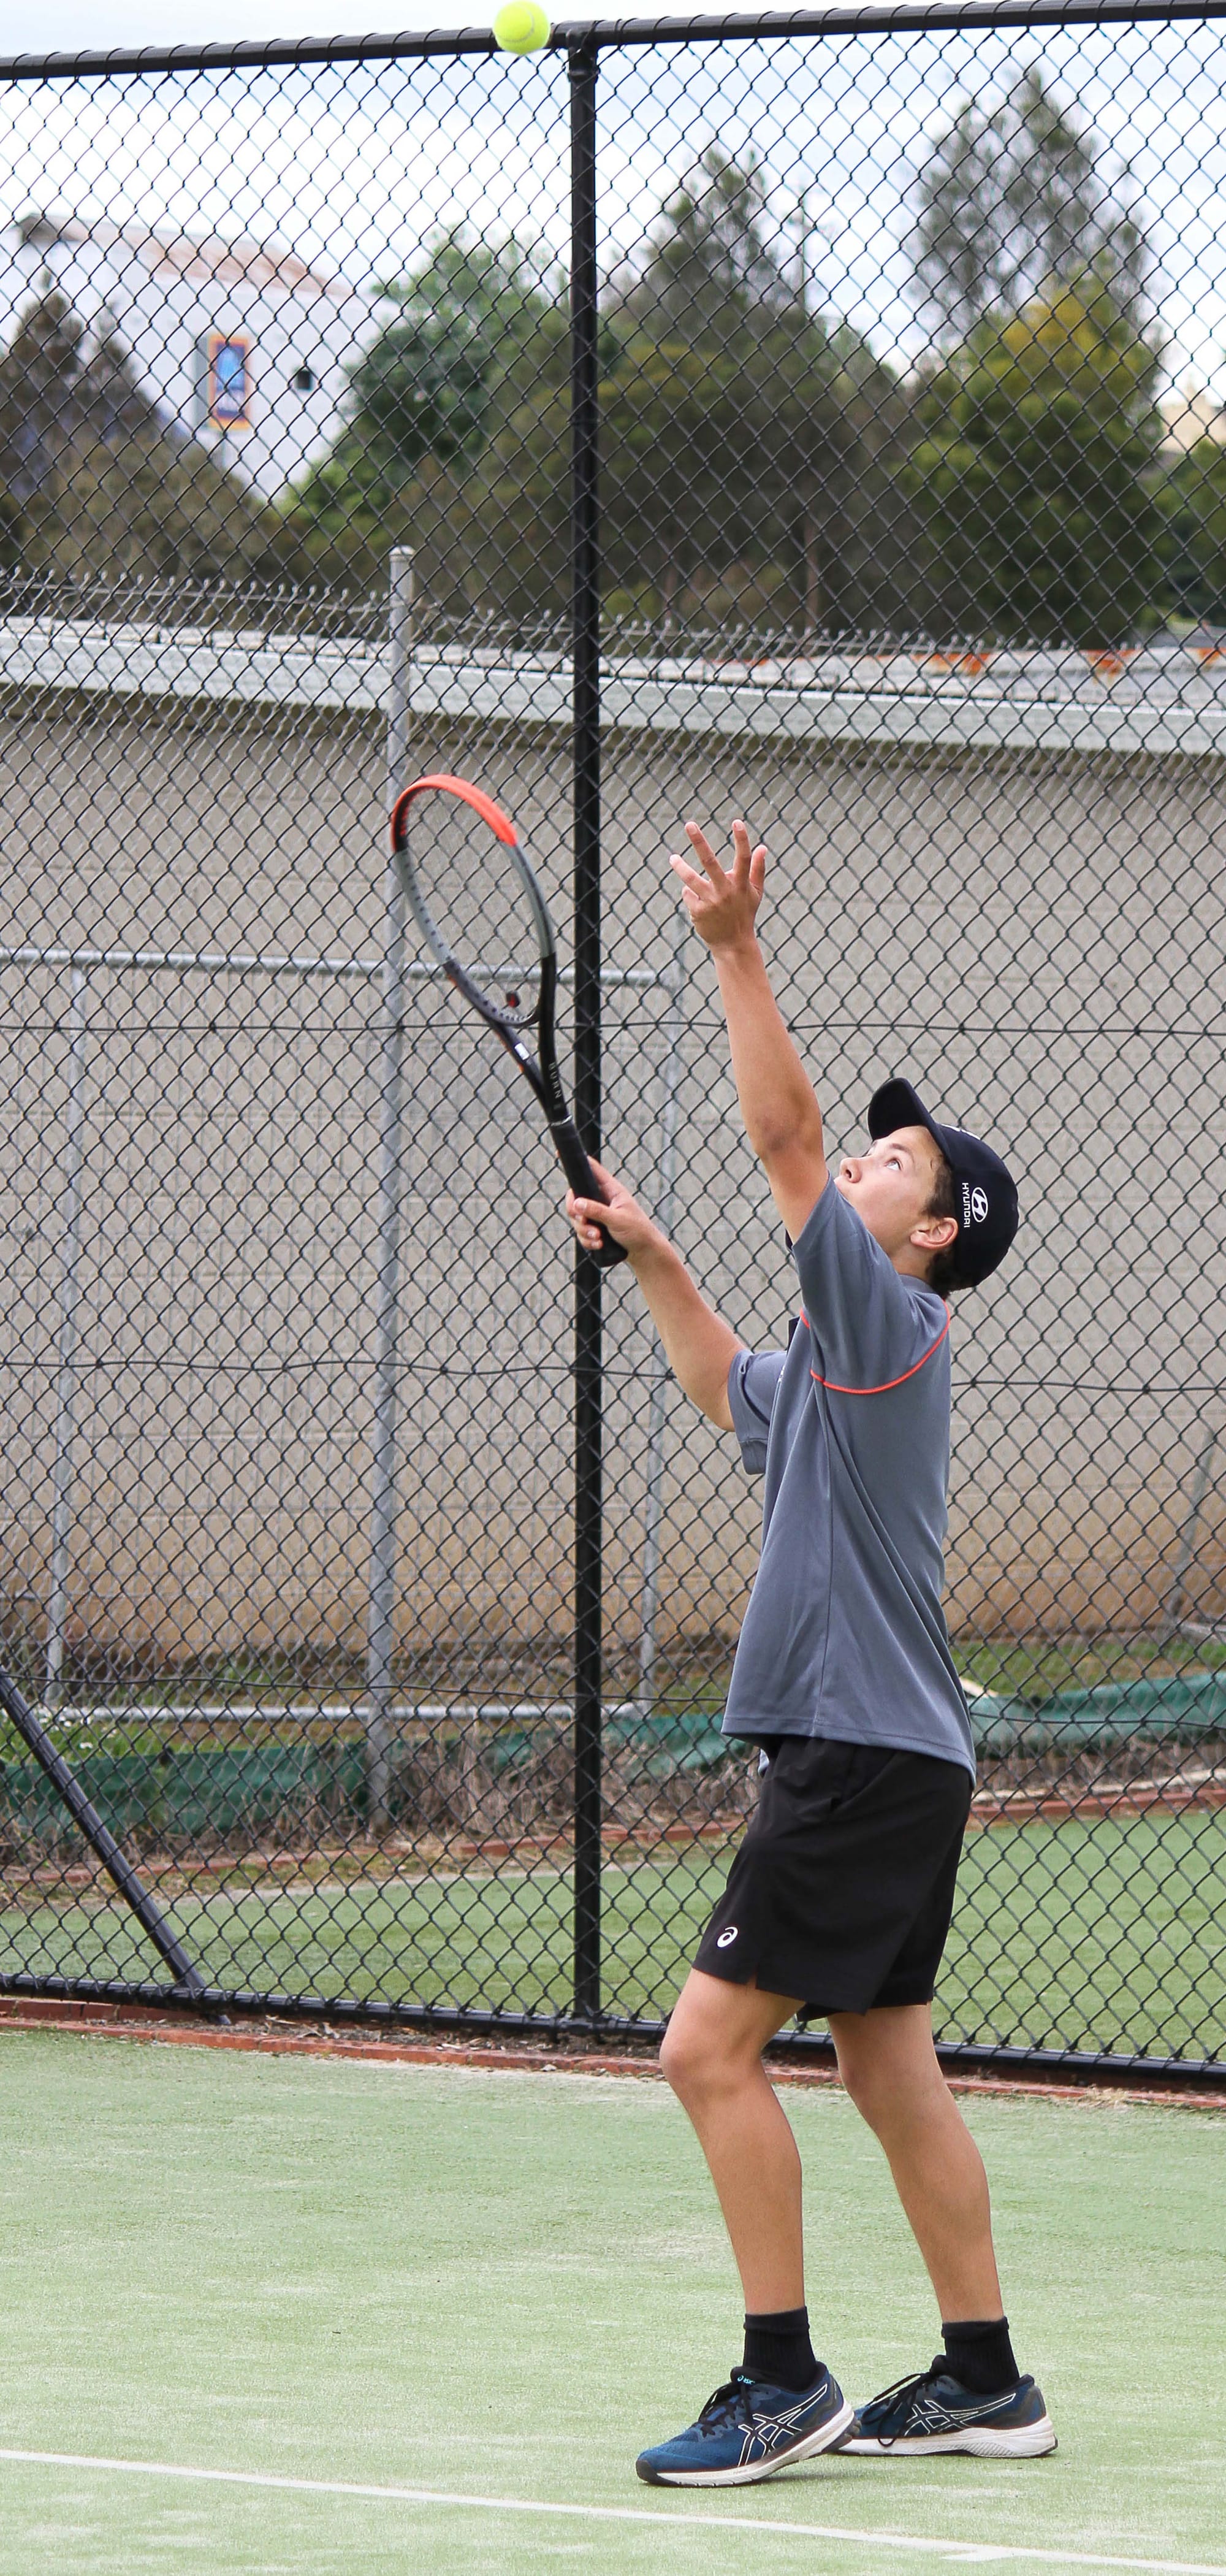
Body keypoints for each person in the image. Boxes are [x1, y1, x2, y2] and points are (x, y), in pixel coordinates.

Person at [565, 818, 1056, 2488]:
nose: (856, 1164)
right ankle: (988, 2377)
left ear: (930, 1237)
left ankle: (782, 2379)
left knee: (704, 2049)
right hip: (901, 1755)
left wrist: (732, 946)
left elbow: (779, 1130)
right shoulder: (843, 1370)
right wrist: (657, 1254)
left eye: (887, 1167)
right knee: (881, 2057)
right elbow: (724, 1390)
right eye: (871, 1155)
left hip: (854, 1754)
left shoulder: (892, 1320)